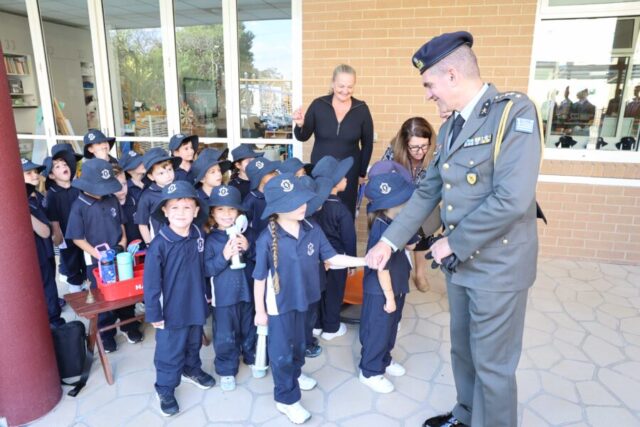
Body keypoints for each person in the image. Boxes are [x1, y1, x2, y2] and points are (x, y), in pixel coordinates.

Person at [365, 31, 543, 427]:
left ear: (451, 75)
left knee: (493, 365)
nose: (428, 94)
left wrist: (453, 242)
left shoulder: (514, 113)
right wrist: (390, 241)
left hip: (498, 265)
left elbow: (512, 199)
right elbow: (427, 192)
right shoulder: (450, 128)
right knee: (463, 352)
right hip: (461, 264)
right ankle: (466, 416)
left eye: (429, 84)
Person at [253, 173, 366, 424]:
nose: (303, 205)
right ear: (278, 208)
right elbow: (259, 278)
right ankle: (286, 399)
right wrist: (260, 311)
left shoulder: (312, 228)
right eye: (294, 202)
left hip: (308, 300)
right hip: (280, 306)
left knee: (300, 345)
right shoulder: (266, 239)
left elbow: (332, 258)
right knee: (282, 353)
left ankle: (295, 373)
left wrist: (366, 261)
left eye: (303, 199)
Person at [143, 181, 215, 417]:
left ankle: (191, 369)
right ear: (165, 211)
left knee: (194, 341)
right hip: (170, 310)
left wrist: (207, 295)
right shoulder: (159, 244)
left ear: (196, 210)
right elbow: (151, 283)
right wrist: (154, 312)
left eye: (187, 207)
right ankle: (165, 387)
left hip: (195, 303)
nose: (181, 213)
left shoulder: (198, 235)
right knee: (170, 350)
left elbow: (203, 269)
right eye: (174, 207)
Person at [66, 159, 143, 352]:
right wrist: (99, 255)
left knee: (125, 291)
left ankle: (128, 325)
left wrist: (123, 242)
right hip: (96, 261)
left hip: (120, 255)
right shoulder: (79, 206)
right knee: (103, 298)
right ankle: (106, 333)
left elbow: (121, 224)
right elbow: (77, 238)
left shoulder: (112, 199)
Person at [360, 172, 418, 393]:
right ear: (391, 204)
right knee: (378, 330)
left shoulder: (398, 222)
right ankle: (370, 371)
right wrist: (389, 297)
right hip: (382, 290)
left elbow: (411, 245)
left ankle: (384, 358)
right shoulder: (381, 227)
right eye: (405, 199)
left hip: (398, 282)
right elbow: (381, 267)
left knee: (391, 327)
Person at [293, 64, 374, 217]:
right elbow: (303, 136)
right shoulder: (318, 105)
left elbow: (367, 144)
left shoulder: (361, 109)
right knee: (320, 212)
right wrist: (299, 125)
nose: (345, 90)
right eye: (341, 86)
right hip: (321, 171)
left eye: (350, 86)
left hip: (349, 173)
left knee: (345, 214)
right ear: (332, 83)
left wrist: (361, 173)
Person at [204, 184, 262, 391]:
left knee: (249, 327)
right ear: (212, 213)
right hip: (223, 296)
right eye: (220, 209)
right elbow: (206, 269)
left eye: (231, 209)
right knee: (225, 334)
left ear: (239, 213)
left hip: (248, 292)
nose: (227, 214)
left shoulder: (249, 234)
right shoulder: (210, 240)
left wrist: (249, 248)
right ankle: (227, 369)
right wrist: (224, 256)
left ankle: (252, 356)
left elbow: (261, 261)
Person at [381, 117, 438, 292]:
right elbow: (382, 174)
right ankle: (395, 271)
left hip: (424, 200)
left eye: (424, 146)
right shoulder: (393, 150)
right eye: (414, 147)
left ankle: (420, 274)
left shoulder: (436, 152)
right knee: (398, 236)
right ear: (405, 144)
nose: (420, 151)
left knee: (423, 237)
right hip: (398, 201)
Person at [310, 155, 356, 340]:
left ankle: (317, 325)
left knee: (319, 291)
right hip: (337, 259)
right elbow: (349, 239)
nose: (346, 179)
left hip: (317, 258)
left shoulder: (314, 206)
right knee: (334, 293)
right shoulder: (341, 210)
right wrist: (351, 262)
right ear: (335, 183)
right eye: (343, 176)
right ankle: (331, 328)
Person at [22, 158, 65, 327]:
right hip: (35, 254)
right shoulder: (25, 201)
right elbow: (44, 231)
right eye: (28, 173)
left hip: (45, 251)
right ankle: (54, 322)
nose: (35, 175)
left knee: (49, 286)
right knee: (46, 289)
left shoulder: (37, 195)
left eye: (35, 171)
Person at [297, 174, 333, 357]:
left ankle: (307, 339)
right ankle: (304, 344)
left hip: (313, 276)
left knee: (310, 313)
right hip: (303, 281)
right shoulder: (304, 226)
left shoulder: (312, 222)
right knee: (304, 315)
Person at [42, 146, 85, 293]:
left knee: (85, 260)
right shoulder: (52, 194)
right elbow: (54, 218)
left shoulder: (78, 187)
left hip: (83, 233)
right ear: (51, 175)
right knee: (71, 262)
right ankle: (75, 289)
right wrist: (58, 237)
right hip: (66, 236)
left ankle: (87, 284)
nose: (63, 167)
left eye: (65, 164)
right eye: (57, 167)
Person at [136, 148, 181, 246]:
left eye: (169, 169)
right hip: (160, 244)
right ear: (151, 176)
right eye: (161, 173)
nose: (168, 175)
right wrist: (149, 244)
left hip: (181, 241)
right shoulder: (147, 196)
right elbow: (142, 224)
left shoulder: (179, 189)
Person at [243, 157, 279, 237]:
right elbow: (245, 227)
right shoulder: (250, 200)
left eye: (274, 171)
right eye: (270, 172)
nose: (275, 174)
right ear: (259, 177)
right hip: (259, 240)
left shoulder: (278, 193)